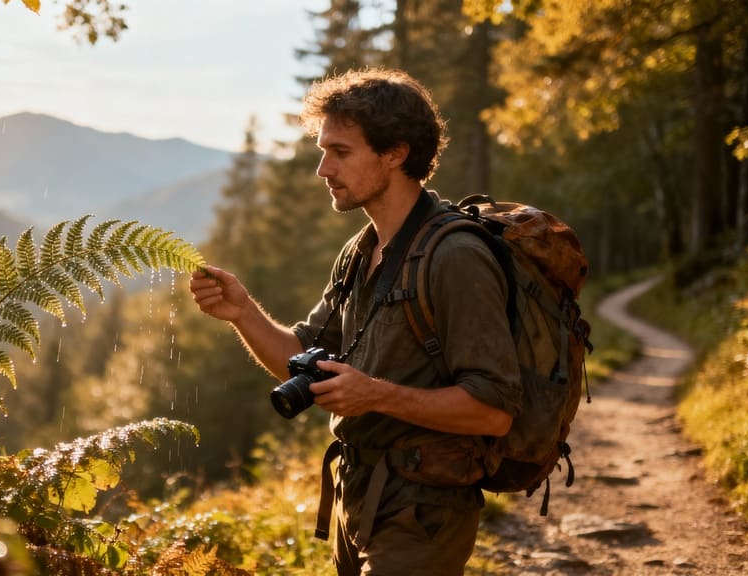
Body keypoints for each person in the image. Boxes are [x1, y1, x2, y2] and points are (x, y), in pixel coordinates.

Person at [188, 68, 522, 576]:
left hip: (425, 510)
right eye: (323, 151)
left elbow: (494, 411)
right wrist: (243, 313)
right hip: (356, 496)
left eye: (340, 152)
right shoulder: (359, 251)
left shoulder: (455, 257)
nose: (323, 168)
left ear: (396, 153)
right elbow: (298, 358)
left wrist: (376, 395)